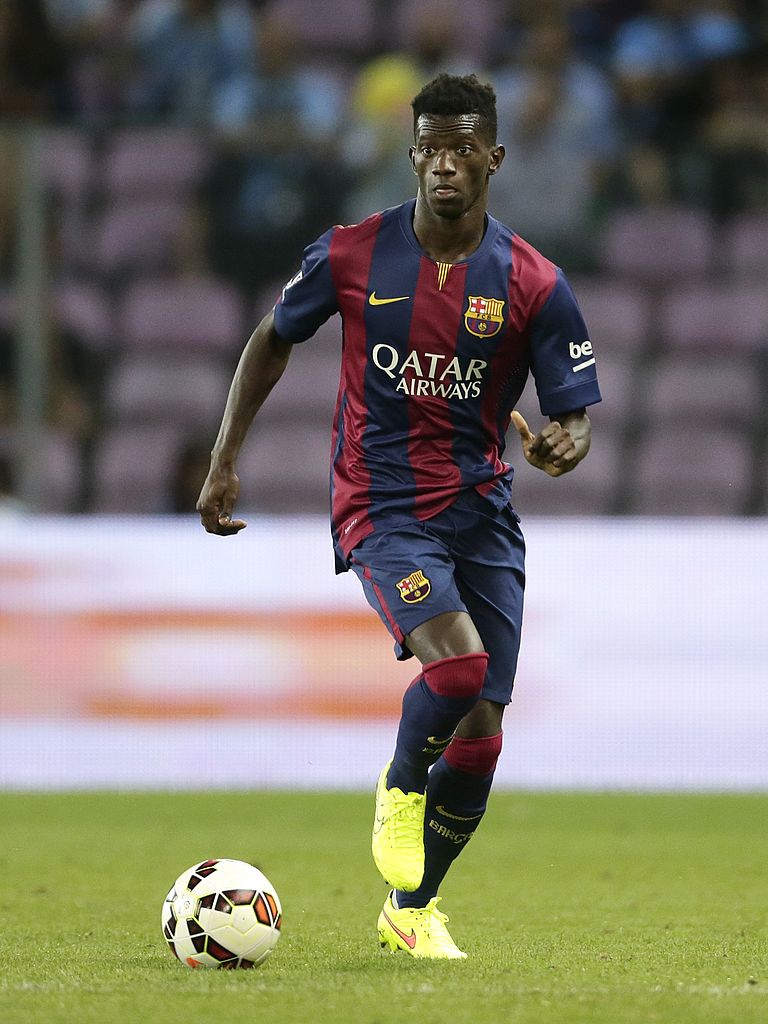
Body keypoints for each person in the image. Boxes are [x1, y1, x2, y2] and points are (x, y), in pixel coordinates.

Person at [197, 73, 601, 960]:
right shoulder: (352, 253)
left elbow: (571, 414)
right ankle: (400, 786)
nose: (446, 165)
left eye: (464, 150)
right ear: (412, 155)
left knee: (484, 729)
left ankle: (410, 908)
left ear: (494, 158)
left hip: (482, 511)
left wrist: (564, 443)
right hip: (380, 503)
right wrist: (224, 457)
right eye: (431, 149)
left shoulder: (534, 281)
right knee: (457, 670)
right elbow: (272, 337)